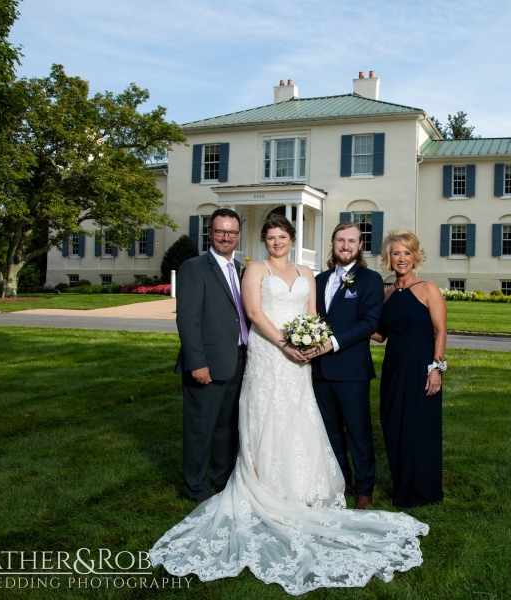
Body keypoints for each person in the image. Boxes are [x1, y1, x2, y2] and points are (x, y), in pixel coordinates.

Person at [150, 214, 428, 595]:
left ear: (292, 239)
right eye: (271, 236)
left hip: (304, 359)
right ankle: (262, 482)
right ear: (265, 239)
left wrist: (312, 341)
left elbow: (314, 314)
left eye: (283, 236)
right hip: (269, 353)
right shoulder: (255, 270)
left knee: (304, 418)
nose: (277, 241)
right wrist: (286, 342)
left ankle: (323, 486)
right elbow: (253, 313)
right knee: (266, 416)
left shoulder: (310, 271)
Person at [304, 222, 384, 510]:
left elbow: (370, 323)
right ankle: (341, 480)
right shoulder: (319, 279)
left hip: (352, 371)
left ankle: (365, 489)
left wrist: (332, 343)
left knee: (358, 431)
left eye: (352, 240)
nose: (345, 245)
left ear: (360, 246)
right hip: (320, 370)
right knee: (329, 431)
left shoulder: (370, 279)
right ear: (333, 242)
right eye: (340, 240)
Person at [173, 208, 248, 501]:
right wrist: (197, 362)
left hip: (238, 359)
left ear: (238, 235)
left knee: (227, 427)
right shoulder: (194, 267)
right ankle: (195, 487)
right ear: (210, 233)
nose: (225, 237)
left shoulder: (241, 269)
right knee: (199, 428)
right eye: (220, 231)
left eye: (231, 232)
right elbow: (187, 319)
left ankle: (222, 478)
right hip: (207, 362)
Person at [372, 229, 447, 508]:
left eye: (406, 252)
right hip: (394, 366)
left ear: (415, 256)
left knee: (420, 428)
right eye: (396, 253)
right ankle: (401, 483)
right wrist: (351, 325)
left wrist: (436, 368)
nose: (401, 258)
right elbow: (381, 335)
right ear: (388, 259)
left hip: (421, 367)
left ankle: (424, 490)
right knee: (394, 425)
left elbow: (440, 332)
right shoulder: (387, 293)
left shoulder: (428, 289)